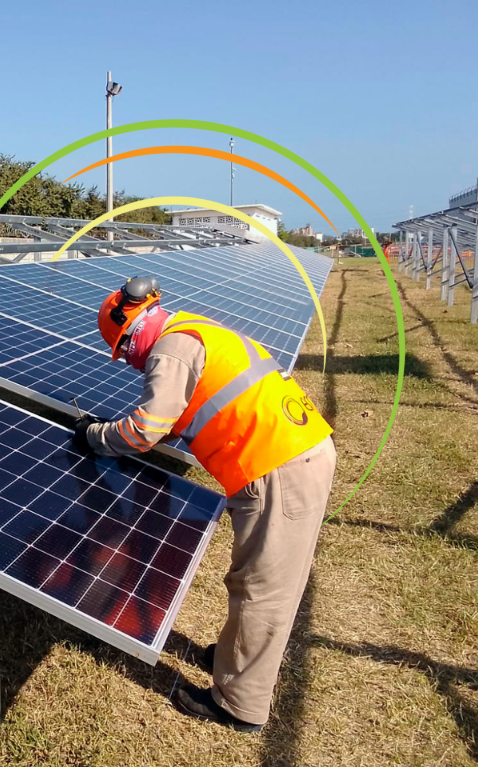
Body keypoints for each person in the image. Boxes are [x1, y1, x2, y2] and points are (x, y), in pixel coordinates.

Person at [73, 276, 336, 732]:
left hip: (278, 466)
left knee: (262, 588)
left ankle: (239, 704)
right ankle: (236, 661)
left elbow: (144, 430)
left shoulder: (170, 350)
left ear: (130, 336)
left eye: (124, 353)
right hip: (299, 450)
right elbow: (189, 411)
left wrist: (96, 436)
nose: (131, 364)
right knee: (261, 578)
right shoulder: (197, 330)